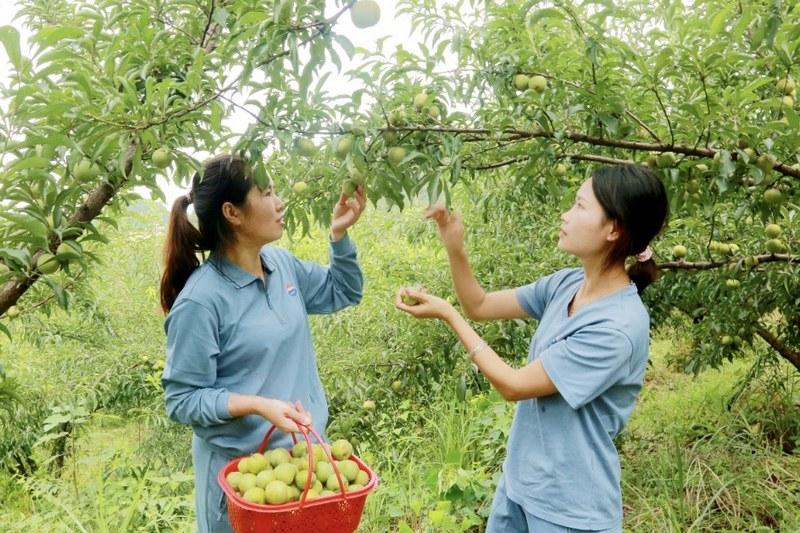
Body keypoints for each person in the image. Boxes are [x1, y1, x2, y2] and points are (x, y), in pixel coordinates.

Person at [396, 164, 668, 533]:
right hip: (520, 486)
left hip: (571, 510)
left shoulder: (616, 326)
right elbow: (480, 305)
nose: (566, 215)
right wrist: (454, 245)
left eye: (579, 206)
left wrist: (448, 316)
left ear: (613, 228)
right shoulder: (567, 284)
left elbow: (514, 385)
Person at [159, 154, 366, 533]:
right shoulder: (201, 302)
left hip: (301, 469)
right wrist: (256, 405)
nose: (279, 201)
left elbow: (344, 290)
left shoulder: (280, 264)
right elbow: (182, 399)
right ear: (232, 213)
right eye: (266, 192)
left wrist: (339, 235)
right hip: (243, 482)